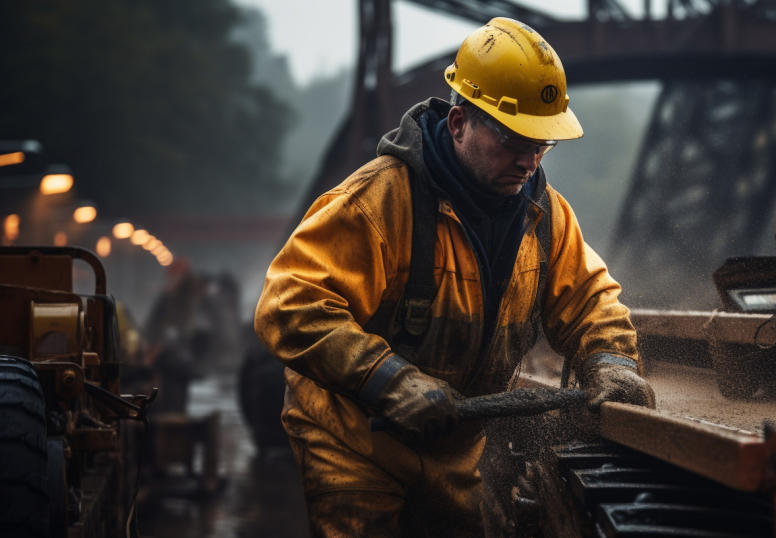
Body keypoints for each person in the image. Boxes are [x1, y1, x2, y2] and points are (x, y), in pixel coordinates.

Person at [254, 17, 655, 537]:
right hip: (356, 445)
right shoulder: (379, 201)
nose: (529, 160)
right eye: (514, 140)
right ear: (460, 121)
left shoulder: (545, 217)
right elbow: (289, 305)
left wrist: (611, 361)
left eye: (542, 144)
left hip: (455, 448)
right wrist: (392, 381)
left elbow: (590, 299)